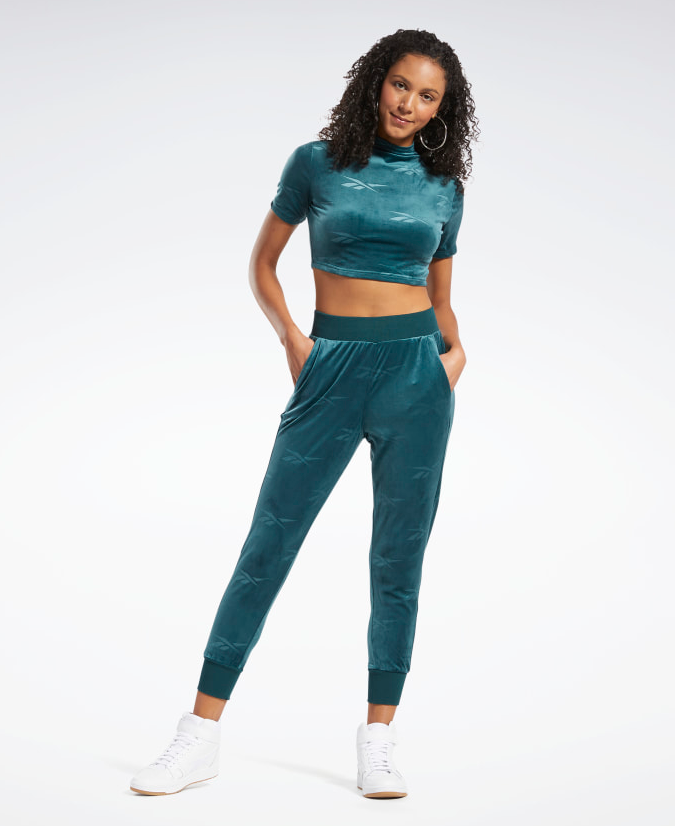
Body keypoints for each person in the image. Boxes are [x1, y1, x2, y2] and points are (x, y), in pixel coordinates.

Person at [129, 27, 480, 800]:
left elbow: (443, 300)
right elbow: (262, 263)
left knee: (398, 559)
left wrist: (452, 360)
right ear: (375, 81)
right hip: (331, 367)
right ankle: (199, 734)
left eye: (427, 97)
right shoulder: (314, 163)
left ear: (441, 110)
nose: (409, 104)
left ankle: (378, 739)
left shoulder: (443, 189)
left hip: (417, 378)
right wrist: (292, 337)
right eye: (400, 85)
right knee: (269, 543)